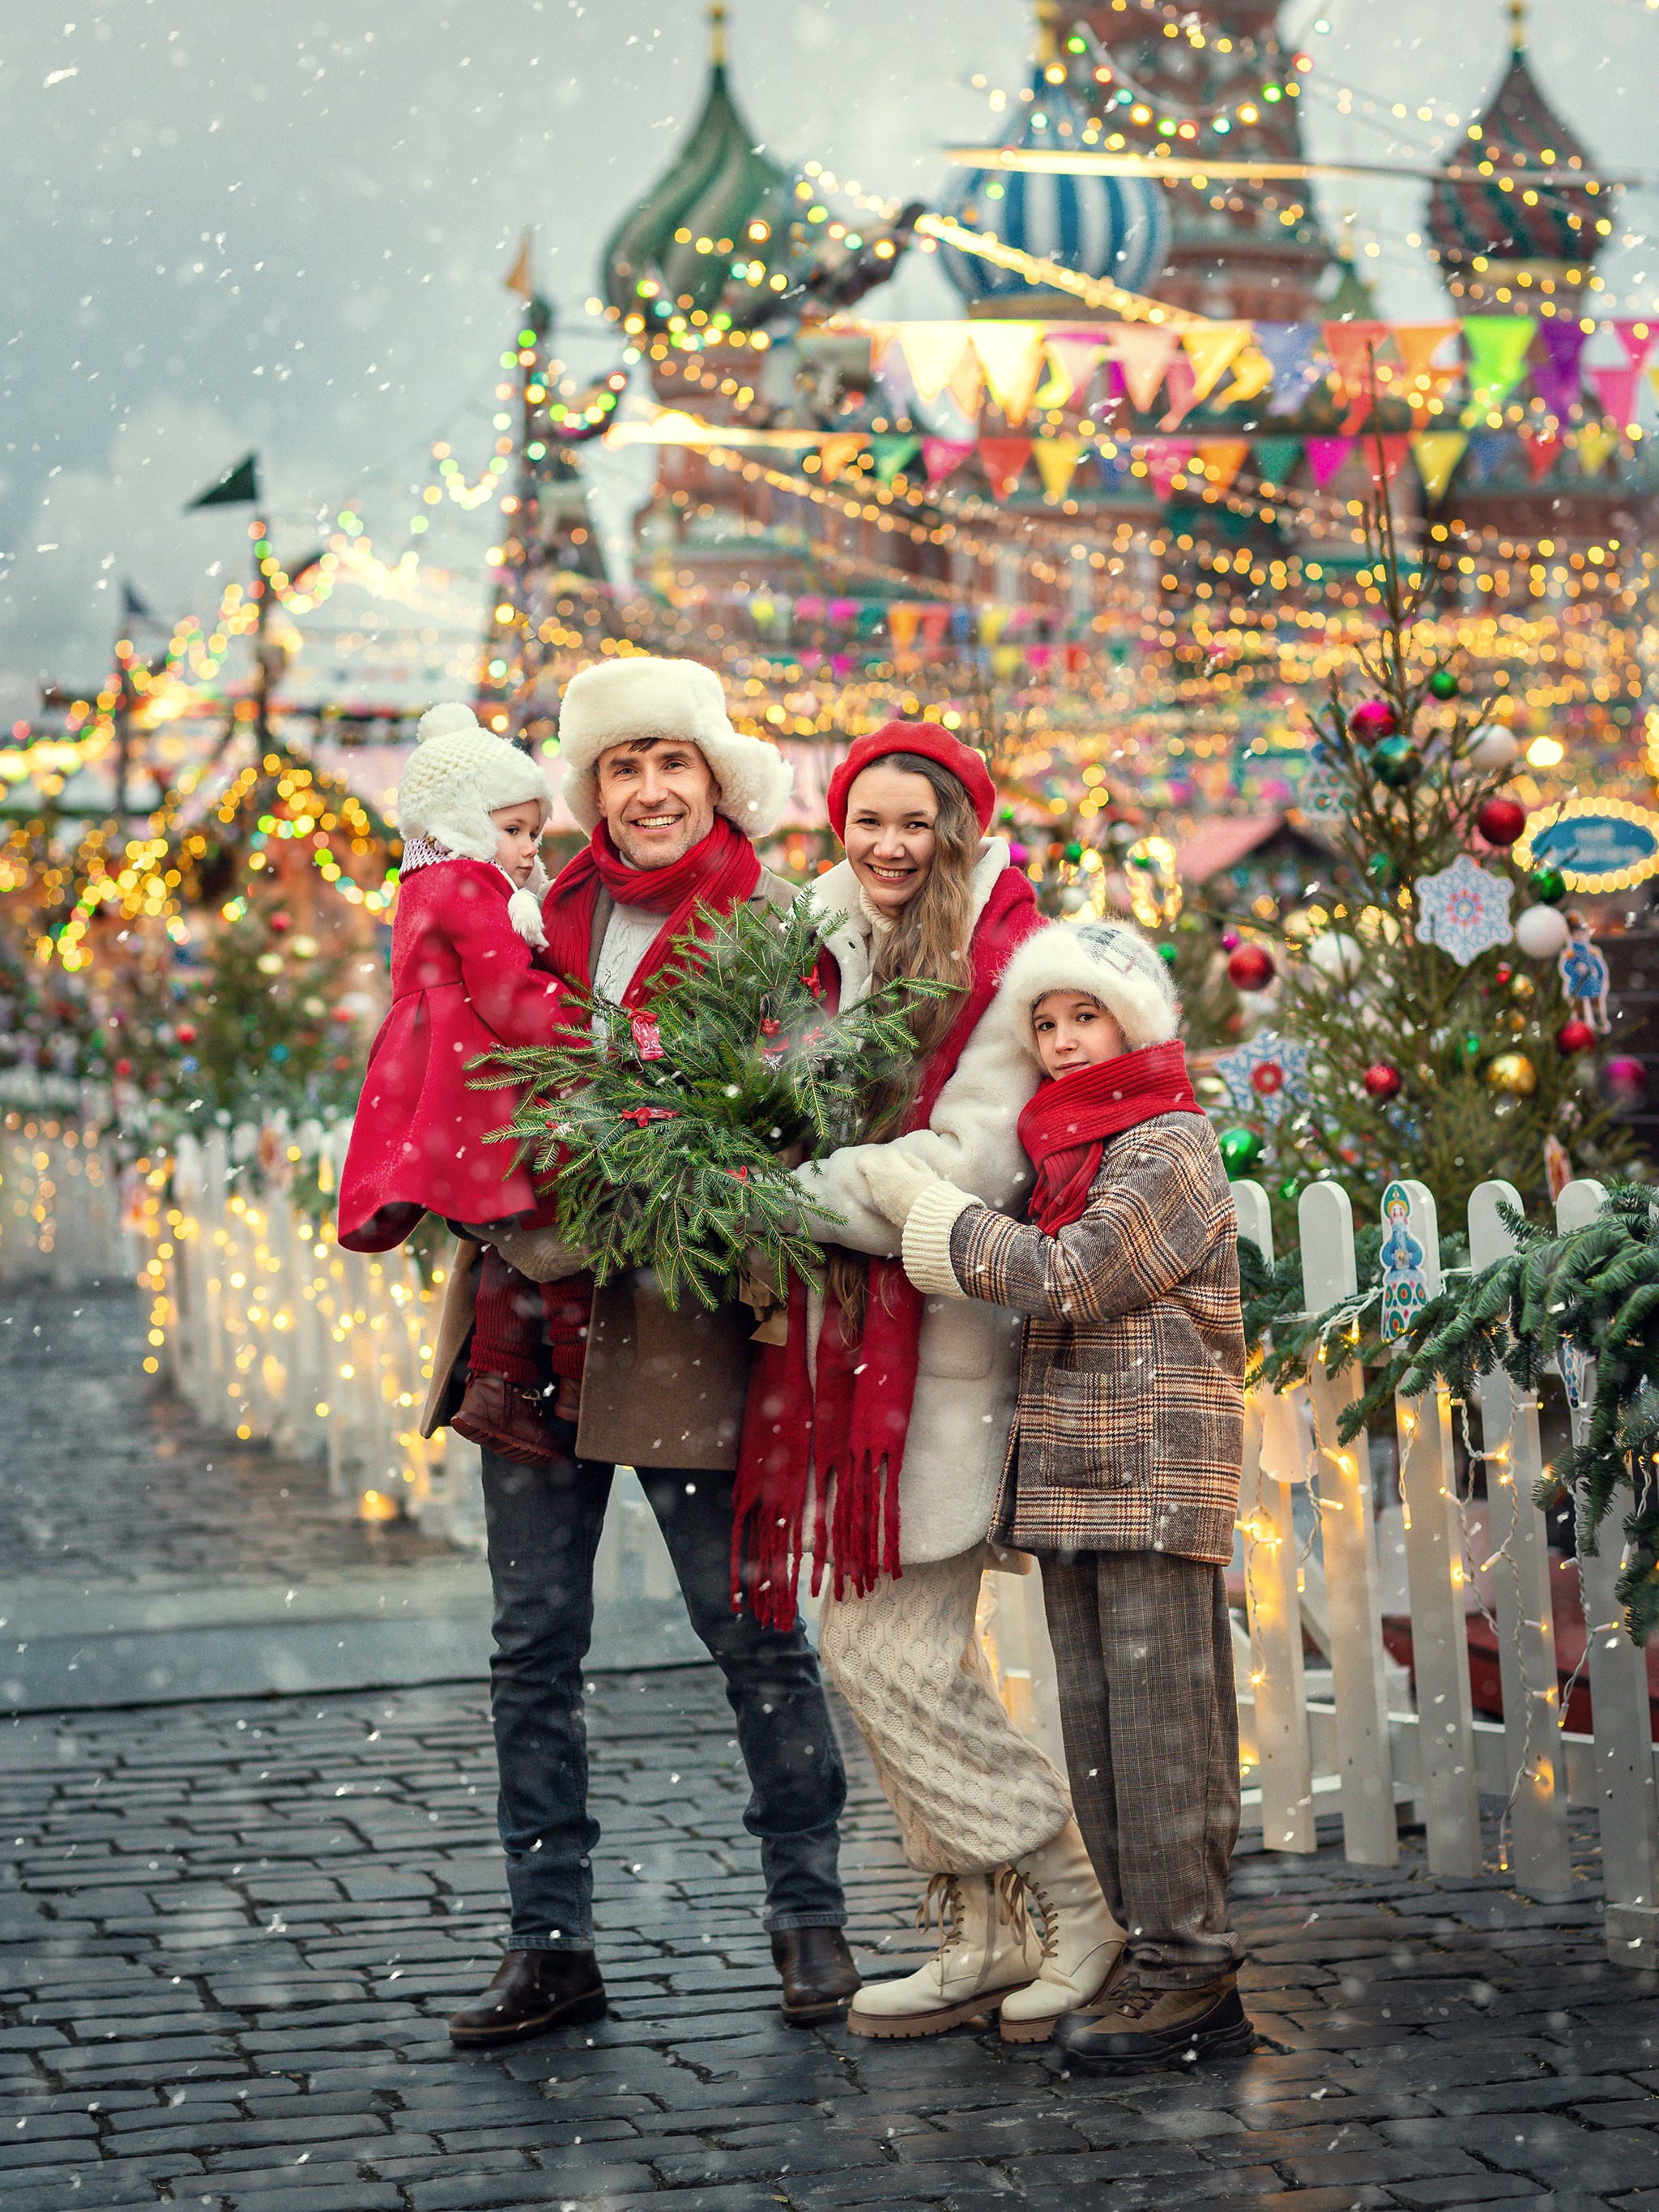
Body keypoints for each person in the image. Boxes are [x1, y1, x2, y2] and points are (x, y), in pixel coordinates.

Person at [420, 656, 859, 2044]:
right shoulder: (529, 908)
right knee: (531, 1643)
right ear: (589, 788)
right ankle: (550, 1943)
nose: (649, 790)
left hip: (683, 1319)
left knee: (752, 1634)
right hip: (527, 1318)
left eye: (671, 762)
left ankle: (811, 1923)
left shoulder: (766, 923)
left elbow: (805, 1108)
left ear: (711, 777)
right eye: (622, 767)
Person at [731, 720, 1119, 2043]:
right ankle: (974, 1930)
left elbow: (965, 1173)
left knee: (877, 1651)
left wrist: (774, 1196)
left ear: (953, 829)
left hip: (940, 1356)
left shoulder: (1008, 964)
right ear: (838, 826)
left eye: (916, 824)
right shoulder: (808, 943)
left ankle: (1071, 1905)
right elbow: (761, 1091)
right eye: (867, 822)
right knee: (885, 1651)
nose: (890, 847)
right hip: (830, 1352)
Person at [862, 919, 1252, 2072]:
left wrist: (940, 1221)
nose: (1066, 1040)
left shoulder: (1168, 1143)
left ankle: (1193, 1966)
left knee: (1163, 1722)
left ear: (1134, 1020)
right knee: (1101, 1730)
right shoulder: (1072, 1146)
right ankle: (1145, 1947)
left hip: (1150, 1471)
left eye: (1086, 1015)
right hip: (1083, 1477)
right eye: (1045, 1021)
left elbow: (1080, 1274)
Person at [336, 701, 565, 1258]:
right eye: (512, 828)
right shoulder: (467, 879)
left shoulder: (421, 880)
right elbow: (506, 990)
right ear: (461, 819)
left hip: (429, 1052)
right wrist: (579, 1027)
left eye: (534, 829)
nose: (531, 845)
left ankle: (459, 1208)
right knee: (497, 1169)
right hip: (465, 1056)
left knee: (438, 1161)